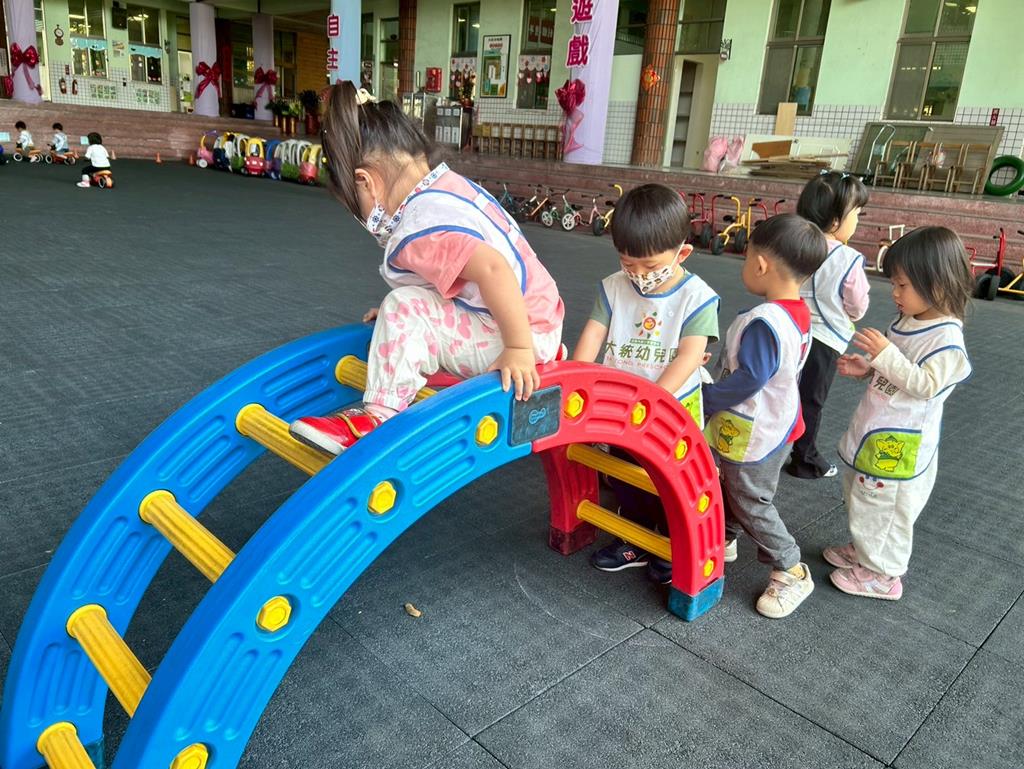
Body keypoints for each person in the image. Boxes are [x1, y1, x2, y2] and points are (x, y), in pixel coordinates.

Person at [289, 82, 564, 455]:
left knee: (402, 308)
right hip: (536, 319)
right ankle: (530, 345)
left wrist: (518, 348)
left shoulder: (421, 225)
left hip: (516, 334)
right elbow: (461, 273)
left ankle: (378, 418)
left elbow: (493, 268)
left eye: (358, 207)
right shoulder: (448, 189)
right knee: (404, 307)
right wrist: (411, 310)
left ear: (365, 182)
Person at [572, 184, 719, 584]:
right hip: (621, 406)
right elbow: (593, 333)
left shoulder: (697, 298)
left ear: (682, 254)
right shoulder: (614, 287)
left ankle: (672, 542)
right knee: (625, 475)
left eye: (650, 266)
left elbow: (689, 356)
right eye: (628, 262)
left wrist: (655, 399)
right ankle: (633, 538)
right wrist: (576, 379)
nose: (638, 274)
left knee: (669, 481)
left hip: (670, 410)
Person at [826, 227, 973, 600]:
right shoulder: (908, 320)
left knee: (887, 508)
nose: (894, 293)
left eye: (902, 285)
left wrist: (885, 356)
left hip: (899, 443)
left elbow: (925, 384)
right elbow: (896, 371)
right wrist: (869, 368)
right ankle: (866, 550)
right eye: (894, 283)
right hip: (876, 428)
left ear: (937, 283)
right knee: (862, 496)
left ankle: (883, 574)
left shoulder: (947, 341)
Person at [703, 214, 826, 619]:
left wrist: (707, 398)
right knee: (735, 484)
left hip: (758, 429)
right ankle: (726, 536)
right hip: (778, 421)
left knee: (751, 498)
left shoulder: (764, 322)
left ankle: (790, 567)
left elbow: (751, 378)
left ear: (760, 264)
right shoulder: (796, 311)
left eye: (746, 258)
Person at [786, 171, 870, 479]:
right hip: (825, 339)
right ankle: (804, 458)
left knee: (781, 390)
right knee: (811, 399)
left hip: (788, 328)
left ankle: (769, 448)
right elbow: (857, 306)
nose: (857, 221)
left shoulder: (793, 244)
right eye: (856, 214)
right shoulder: (848, 258)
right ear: (835, 221)